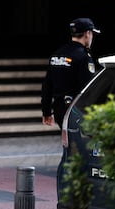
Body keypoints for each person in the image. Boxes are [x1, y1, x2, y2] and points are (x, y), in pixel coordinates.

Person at [41, 17, 100, 208]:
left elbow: (47, 85)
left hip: (60, 110)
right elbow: (89, 90)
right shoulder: (84, 57)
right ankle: (75, 193)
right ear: (88, 34)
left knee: (70, 151)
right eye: (92, 34)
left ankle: (69, 192)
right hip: (76, 111)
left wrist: (46, 111)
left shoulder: (58, 54)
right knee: (79, 153)